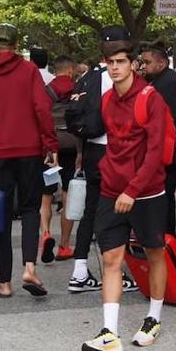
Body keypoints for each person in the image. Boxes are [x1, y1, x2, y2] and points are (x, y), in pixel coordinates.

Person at [82, 39, 169, 351]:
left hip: (146, 191)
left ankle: (154, 318)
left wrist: (132, 190)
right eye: (110, 62)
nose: (115, 67)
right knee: (110, 260)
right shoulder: (106, 100)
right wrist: (111, 179)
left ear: (133, 64)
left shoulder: (150, 98)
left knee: (154, 252)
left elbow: (155, 152)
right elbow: (114, 146)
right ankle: (109, 332)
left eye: (121, 61)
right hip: (111, 190)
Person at [0, 24, 57, 298]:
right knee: (31, 208)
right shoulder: (29, 70)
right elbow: (41, 108)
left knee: (2, 214)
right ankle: (30, 267)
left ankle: (4, 283)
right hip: (30, 149)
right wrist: (49, 143)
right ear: (16, 43)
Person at [69, 27, 139, 295]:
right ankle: (116, 272)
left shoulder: (89, 77)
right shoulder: (124, 76)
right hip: (118, 153)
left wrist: (80, 153)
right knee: (117, 214)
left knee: (90, 211)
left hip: (92, 152)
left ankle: (79, 270)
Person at [138, 42, 176, 235]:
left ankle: (166, 235)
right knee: (163, 196)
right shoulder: (160, 81)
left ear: (161, 62)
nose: (144, 66)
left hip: (170, 152)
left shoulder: (168, 83)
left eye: (147, 62)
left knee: (164, 195)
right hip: (166, 150)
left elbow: (169, 119)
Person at [46, 55, 80, 261]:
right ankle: (64, 245)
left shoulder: (46, 90)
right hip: (72, 145)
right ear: (70, 71)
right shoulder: (77, 88)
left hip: (50, 146)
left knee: (45, 194)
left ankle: (44, 234)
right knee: (68, 191)